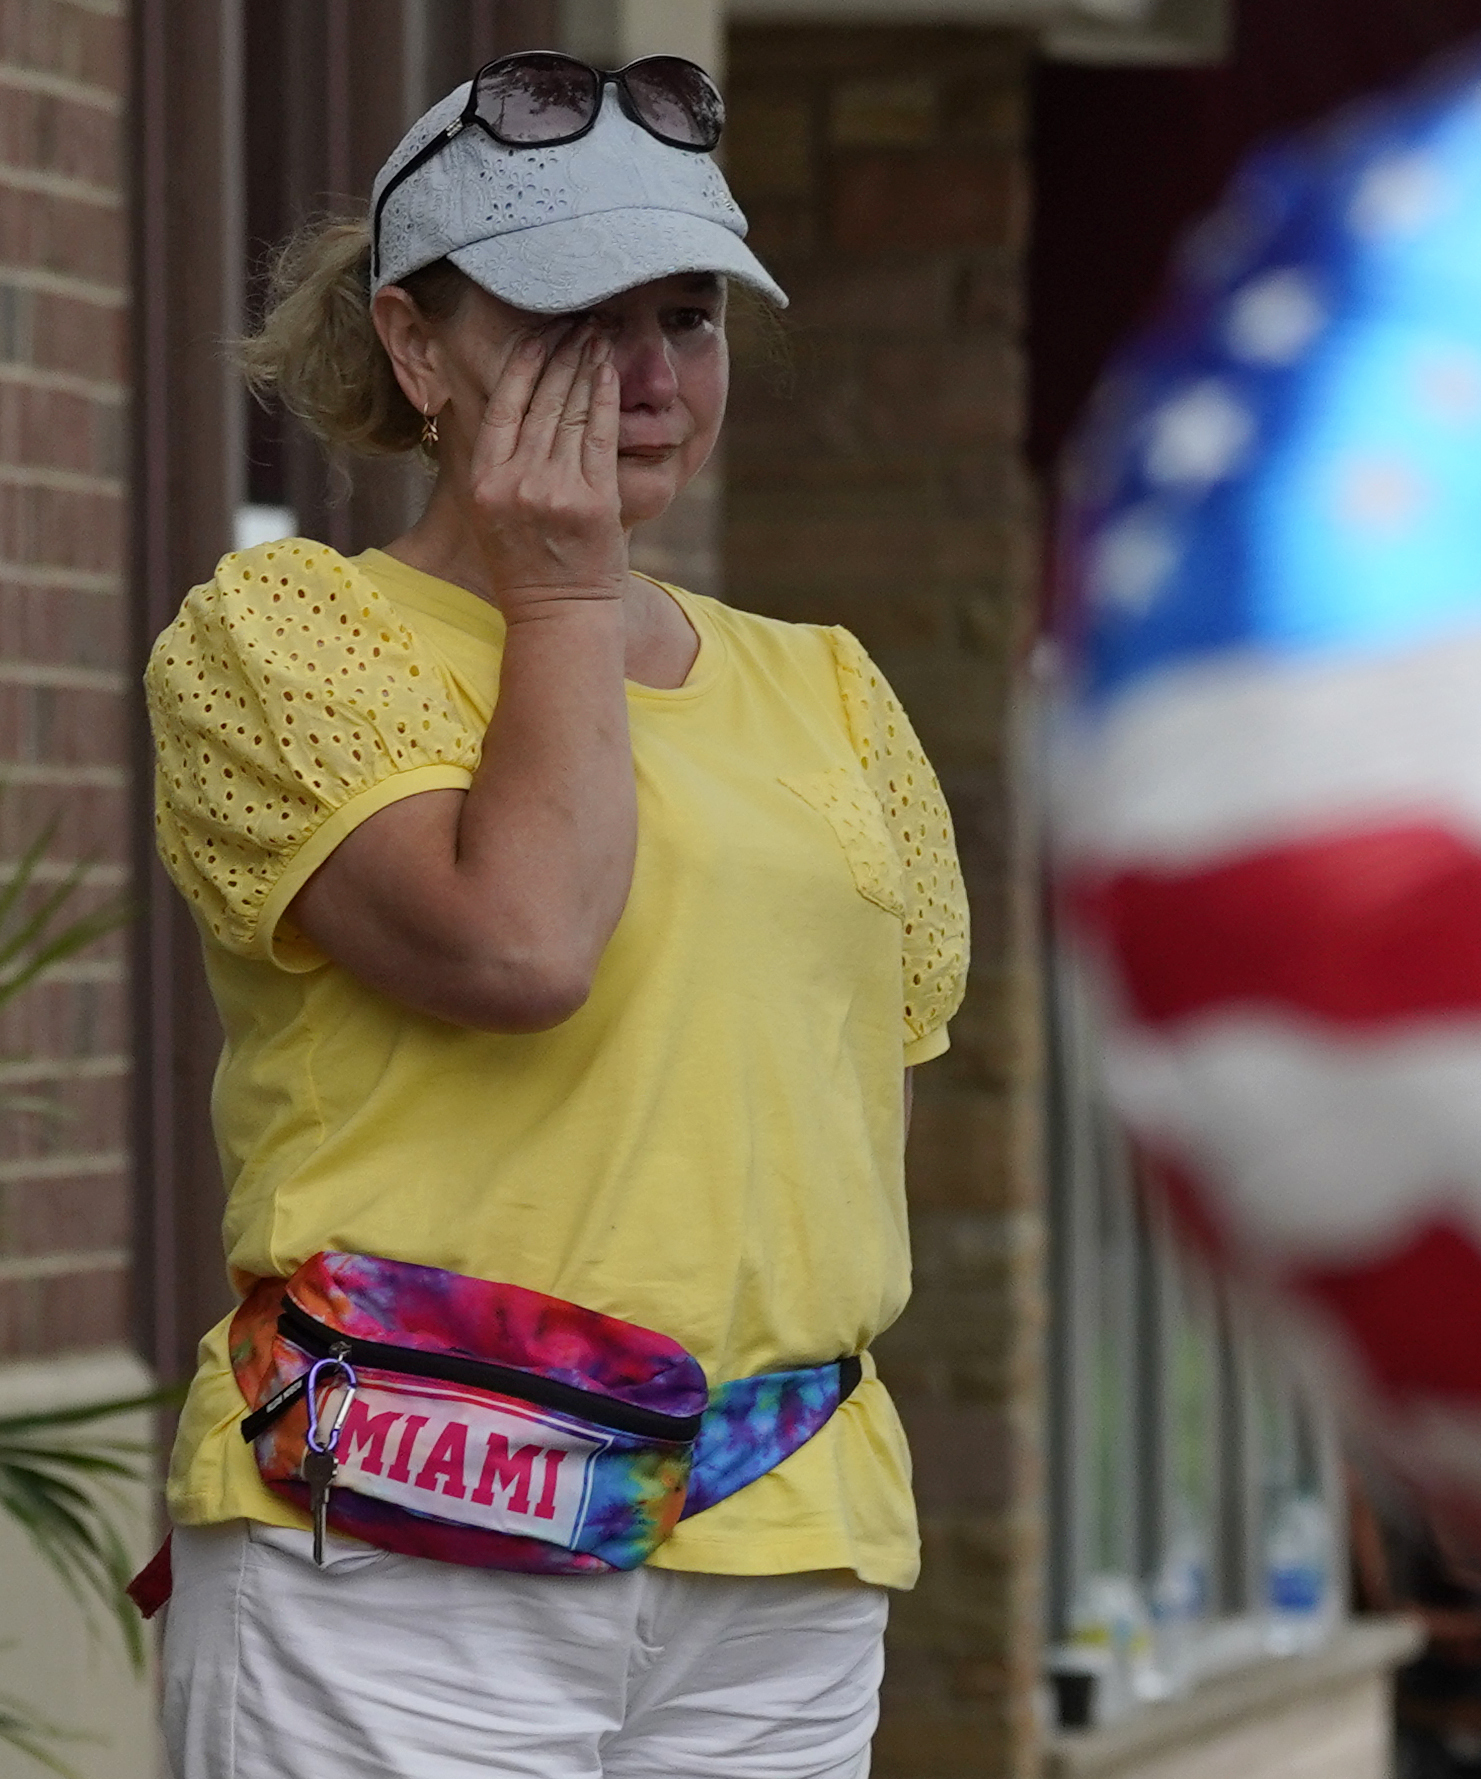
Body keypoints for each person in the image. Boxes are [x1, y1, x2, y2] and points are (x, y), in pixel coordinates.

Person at [142, 51, 967, 1779]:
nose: (649, 376)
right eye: (575, 318)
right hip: (394, 1540)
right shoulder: (282, 635)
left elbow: (845, 1124)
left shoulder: (830, 689)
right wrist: (570, 587)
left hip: (779, 1547)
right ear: (417, 344)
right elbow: (518, 949)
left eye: (691, 316)